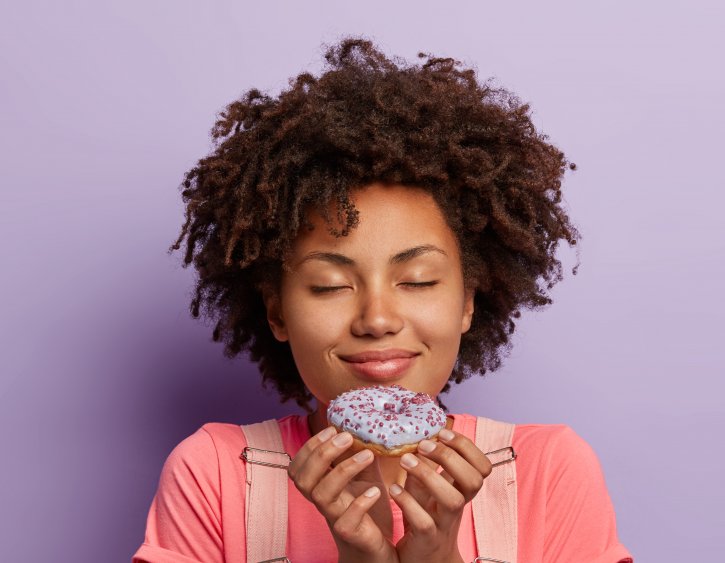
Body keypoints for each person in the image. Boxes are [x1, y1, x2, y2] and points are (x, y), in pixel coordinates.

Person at [133, 36, 632, 563]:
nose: (376, 319)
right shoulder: (215, 473)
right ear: (277, 310)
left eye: (417, 280)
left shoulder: (547, 469)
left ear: (468, 302)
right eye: (329, 285)